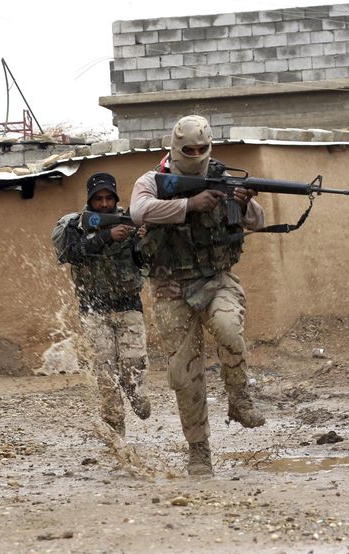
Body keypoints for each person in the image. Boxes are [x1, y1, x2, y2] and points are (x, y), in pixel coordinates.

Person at [129, 115, 266, 476]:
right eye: (187, 149)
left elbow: (259, 221)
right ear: (174, 148)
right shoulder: (152, 180)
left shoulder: (223, 177)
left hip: (216, 278)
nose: (195, 154)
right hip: (170, 286)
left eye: (201, 149)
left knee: (228, 329)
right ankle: (199, 450)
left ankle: (238, 398)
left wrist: (243, 201)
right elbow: (138, 210)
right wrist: (190, 205)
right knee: (185, 375)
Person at [52, 172, 150, 437]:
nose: (104, 204)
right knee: (105, 374)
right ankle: (116, 433)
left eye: (109, 198)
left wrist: (142, 239)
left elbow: (145, 262)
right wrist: (107, 236)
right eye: (99, 199)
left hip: (128, 306)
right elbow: (71, 254)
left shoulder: (130, 221)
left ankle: (134, 392)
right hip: (93, 311)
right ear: (90, 200)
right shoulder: (77, 226)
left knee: (133, 364)